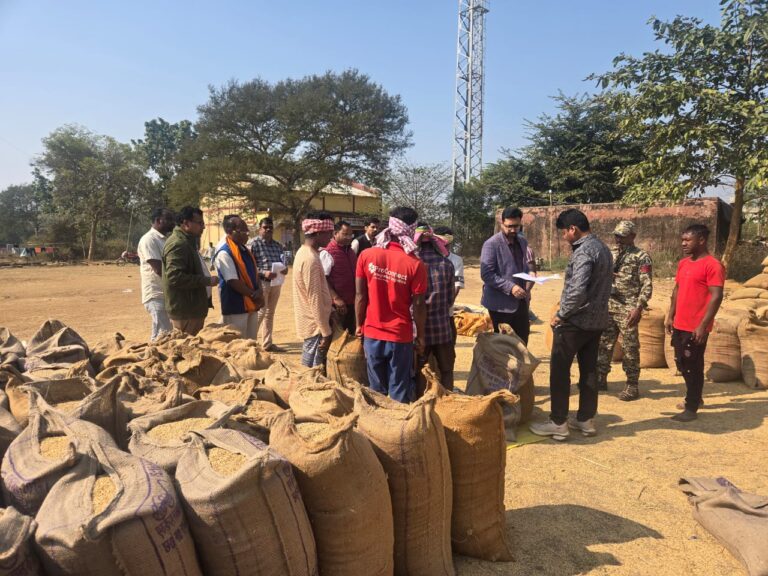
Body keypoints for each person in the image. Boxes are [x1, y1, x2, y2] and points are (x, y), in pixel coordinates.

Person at [530, 209, 612, 441]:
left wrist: (561, 314)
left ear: (573, 229)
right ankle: (586, 419)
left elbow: (577, 290)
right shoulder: (603, 248)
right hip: (596, 321)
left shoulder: (584, 251)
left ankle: (558, 422)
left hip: (575, 322)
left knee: (559, 371)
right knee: (589, 370)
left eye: (564, 232)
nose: (564, 237)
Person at [355, 207, 427, 403]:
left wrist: (359, 325)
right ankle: (398, 422)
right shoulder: (415, 264)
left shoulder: (366, 255)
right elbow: (419, 305)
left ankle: (376, 421)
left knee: (376, 391)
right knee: (399, 390)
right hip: (400, 335)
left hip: (372, 332)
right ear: (411, 230)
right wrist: (421, 336)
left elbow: (360, 296)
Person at [665, 224, 724, 422]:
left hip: (696, 326)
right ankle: (695, 397)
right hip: (680, 323)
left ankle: (691, 407)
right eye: (682, 240)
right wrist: (670, 315)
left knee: (693, 365)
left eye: (688, 240)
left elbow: (716, 296)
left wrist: (703, 325)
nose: (683, 243)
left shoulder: (713, 265)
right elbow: (677, 290)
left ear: (701, 240)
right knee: (681, 362)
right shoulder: (683, 263)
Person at [596, 221, 653, 401]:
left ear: (632, 236)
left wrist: (638, 307)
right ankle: (600, 378)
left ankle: (632, 385)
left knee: (630, 347)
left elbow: (647, 285)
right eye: (616, 235)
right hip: (609, 305)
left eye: (622, 235)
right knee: (604, 344)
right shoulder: (610, 254)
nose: (618, 239)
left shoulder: (641, 257)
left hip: (628, 308)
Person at [480, 206, 533, 344]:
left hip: (521, 301)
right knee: (504, 345)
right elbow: (487, 274)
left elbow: (521, 267)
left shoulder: (522, 242)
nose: (513, 230)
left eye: (516, 226)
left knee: (522, 341)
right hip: (500, 305)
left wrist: (530, 275)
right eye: (509, 226)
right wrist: (511, 287)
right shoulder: (491, 244)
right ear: (502, 223)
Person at [162, 206, 219, 336]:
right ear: (186, 223)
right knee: (186, 347)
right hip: (185, 311)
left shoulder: (187, 242)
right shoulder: (178, 244)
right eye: (200, 223)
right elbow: (175, 277)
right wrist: (206, 281)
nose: (203, 227)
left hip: (192, 309)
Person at [414, 224, 456, 394]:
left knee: (419, 370)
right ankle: (448, 402)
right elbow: (450, 299)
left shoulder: (412, 263)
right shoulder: (447, 264)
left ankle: (420, 402)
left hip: (419, 329)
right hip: (442, 328)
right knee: (446, 370)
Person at [293, 211, 335, 368]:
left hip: (314, 321)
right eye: (329, 232)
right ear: (318, 232)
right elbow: (314, 298)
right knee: (311, 370)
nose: (331, 237)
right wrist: (325, 331)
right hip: (315, 325)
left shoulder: (305, 252)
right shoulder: (310, 259)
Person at [214, 215, 264, 339]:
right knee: (237, 344)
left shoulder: (245, 250)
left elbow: (255, 273)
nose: (247, 234)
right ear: (231, 231)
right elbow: (233, 281)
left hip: (252, 305)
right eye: (243, 230)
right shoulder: (225, 253)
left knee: (251, 343)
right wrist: (254, 295)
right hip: (236, 307)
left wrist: (260, 290)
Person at [248, 217, 288, 352]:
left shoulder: (278, 246)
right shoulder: (253, 244)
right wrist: (263, 272)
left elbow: (283, 262)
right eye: (265, 227)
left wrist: (284, 269)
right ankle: (250, 343)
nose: (268, 229)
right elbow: (248, 266)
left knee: (270, 313)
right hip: (262, 283)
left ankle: (267, 343)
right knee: (260, 312)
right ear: (259, 229)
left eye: (270, 227)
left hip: (276, 282)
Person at [137, 208, 175, 340]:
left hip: (166, 294)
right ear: (158, 221)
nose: (173, 222)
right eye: (169, 219)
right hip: (156, 294)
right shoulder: (149, 239)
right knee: (163, 335)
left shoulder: (165, 240)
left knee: (163, 334)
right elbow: (159, 269)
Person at [319, 221, 358, 334]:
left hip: (351, 302)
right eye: (345, 234)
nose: (349, 237)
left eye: (350, 235)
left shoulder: (350, 251)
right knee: (336, 335)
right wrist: (336, 298)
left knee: (350, 333)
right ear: (335, 233)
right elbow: (323, 279)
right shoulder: (327, 253)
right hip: (336, 304)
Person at [433, 226, 464, 300]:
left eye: (447, 244)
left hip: (445, 302)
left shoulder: (457, 260)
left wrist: (449, 303)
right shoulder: (428, 258)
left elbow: (457, 284)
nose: (445, 246)